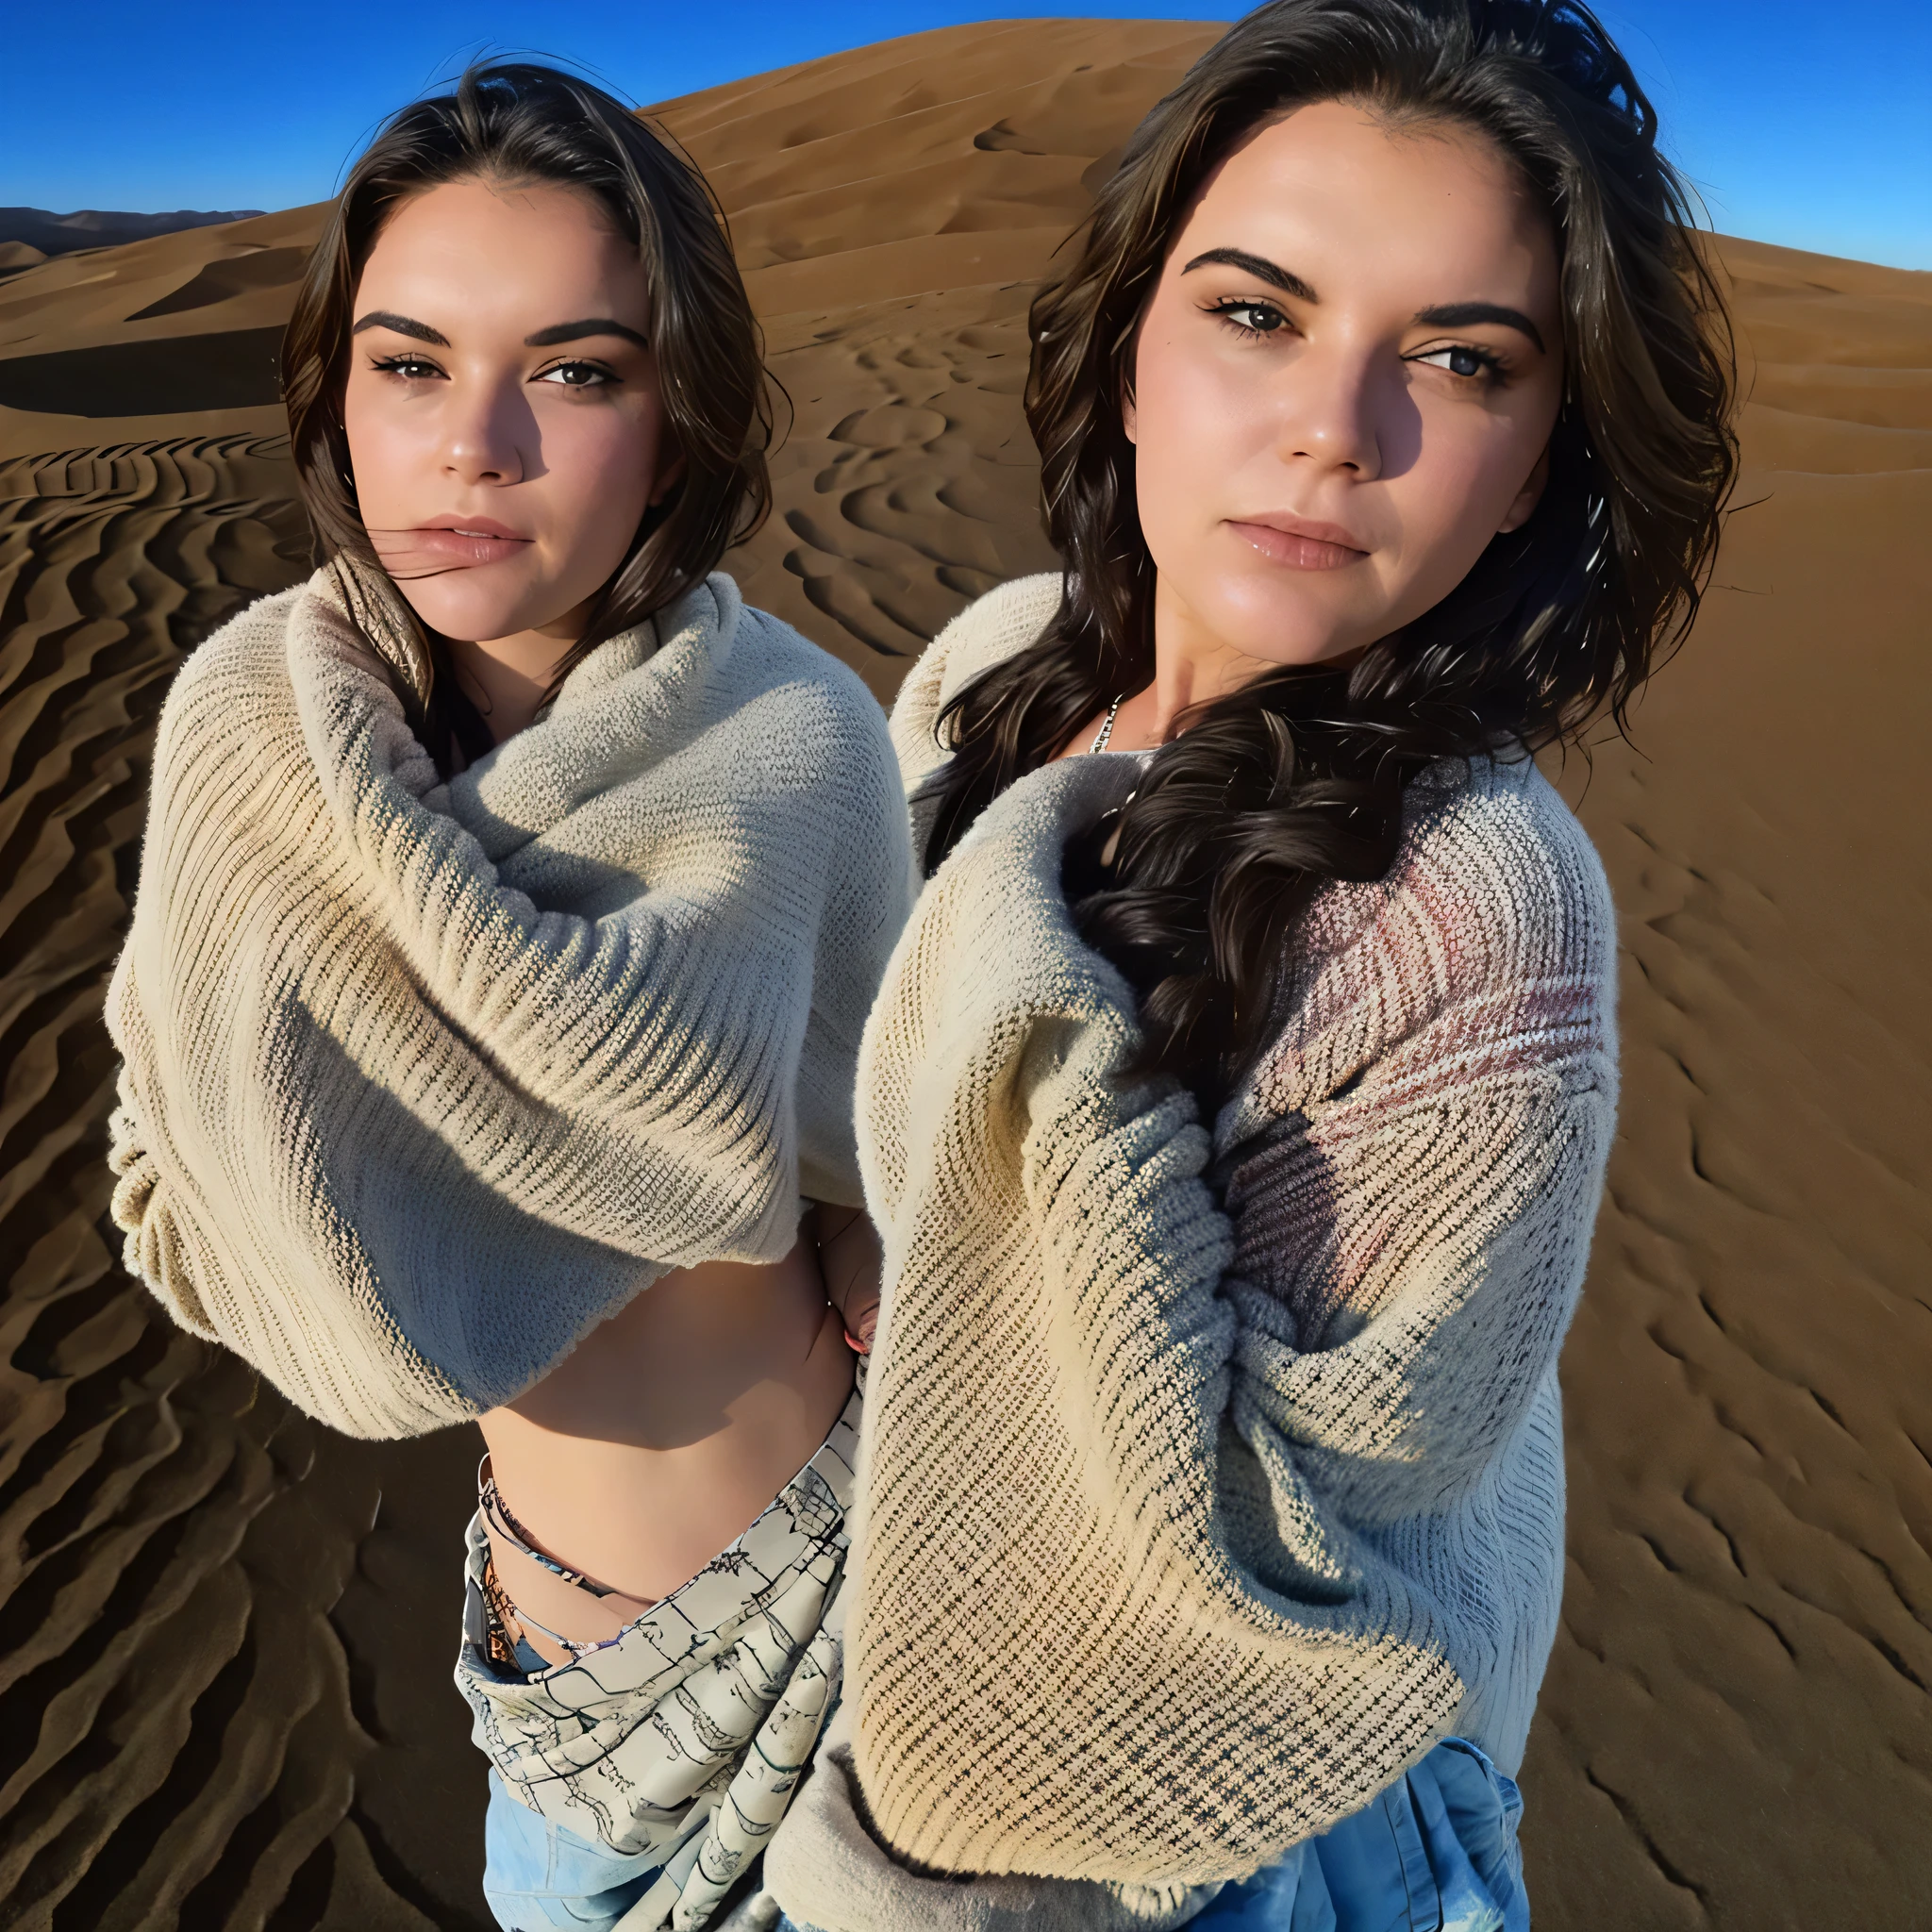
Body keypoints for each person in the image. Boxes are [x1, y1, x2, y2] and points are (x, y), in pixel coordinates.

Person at [762, 1, 1734, 1927]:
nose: (1330, 428)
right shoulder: (989, 671)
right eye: (1254, 311)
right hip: (856, 1597)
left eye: (1456, 361)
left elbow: (1253, 1551)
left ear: (1537, 465)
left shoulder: (1469, 911)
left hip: (1268, 1801)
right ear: (1127, 351)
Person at [103, 64, 910, 1932]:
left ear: (674, 411)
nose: (473, 444)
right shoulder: (244, 739)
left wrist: (876, 1229)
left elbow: (889, 1135)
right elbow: (167, 1140)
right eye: (407, 362)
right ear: (335, 390)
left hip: (860, 1629)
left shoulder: (797, 740)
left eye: (572, 369)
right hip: (546, 1697)